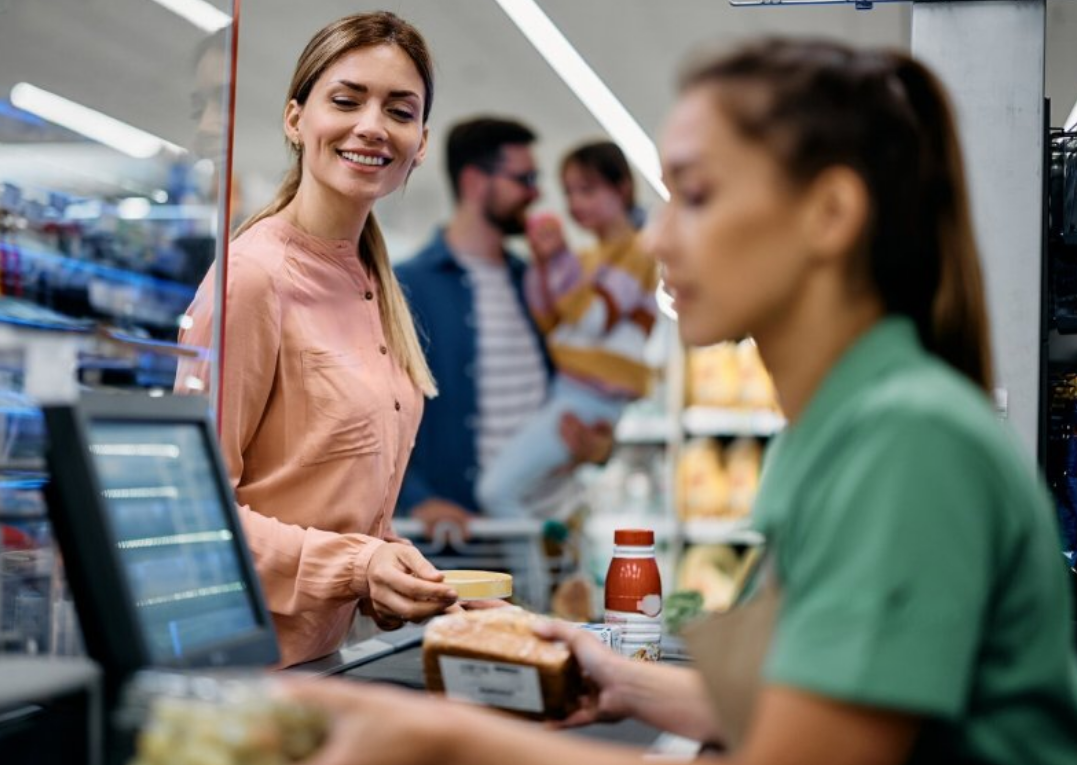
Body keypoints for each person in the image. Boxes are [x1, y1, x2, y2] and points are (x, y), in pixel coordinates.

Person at [287, 37, 1077, 764]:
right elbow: (810, 704)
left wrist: (441, 740)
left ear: (829, 214)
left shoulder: (904, 441)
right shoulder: (849, 424)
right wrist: (622, 677)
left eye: (694, 197)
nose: (659, 240)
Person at [174, 11, 458, 668]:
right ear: (295, 119)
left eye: (399, 110)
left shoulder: (373, 284)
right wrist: (358, 566)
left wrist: (398, 580)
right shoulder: (252, 277)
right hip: (239, 673)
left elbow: (330, 503)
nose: (371, 126)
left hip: (324, 668)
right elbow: (193, 515)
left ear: (419, 141)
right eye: (346, 99)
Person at [395, 118, 614, 537]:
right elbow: (371, 419)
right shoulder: (406, 287)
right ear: (476, 182)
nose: (536, 194)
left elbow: (581, 384)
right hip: (464, 549)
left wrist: (599, 446)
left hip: (549, 536)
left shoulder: (535, 281)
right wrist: (415, 499)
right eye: (524, 178)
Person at [476, 141, 658, 519]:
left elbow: (593, 320)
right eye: (569, 192)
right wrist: (545, 266)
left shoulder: (638, 253)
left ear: (622, 187)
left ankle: (532, 576)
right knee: (519, 493)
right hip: (572, 392)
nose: (576, 203)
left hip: (589, 397)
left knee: (496, 491)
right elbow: (550, 320)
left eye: (587, 189)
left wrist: (558, 262)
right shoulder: (587, 258)